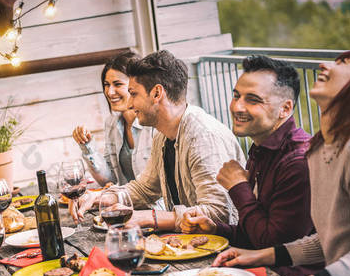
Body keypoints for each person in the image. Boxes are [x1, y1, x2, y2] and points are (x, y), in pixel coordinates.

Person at [205, 49, 350, 276]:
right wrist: (261, 255)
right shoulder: (322, 147)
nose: (325, 65)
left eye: (343, 65)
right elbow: (328, 240)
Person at [71, 50, 246, 231]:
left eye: (134, 94)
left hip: (229, 248)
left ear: (156, 93)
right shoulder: (163, 135)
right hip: (190, 241)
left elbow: (219, 213)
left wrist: (148, 218)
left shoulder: (203, 136)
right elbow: (144, 189)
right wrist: (97, 198)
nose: (130, 104)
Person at [181, 55, 319, 276]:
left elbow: (273, 247)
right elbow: (255, 233)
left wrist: (238, 188)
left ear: (285, 108)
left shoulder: (298, 162)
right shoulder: (261, 147)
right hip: (264, 271)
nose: (237, 107)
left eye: (252, 100)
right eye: (236, 96)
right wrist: (215, 230)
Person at [72, 51, 153, 185]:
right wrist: (87, 147)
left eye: (117, 84)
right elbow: (110, 180)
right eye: (107, 84)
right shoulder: (111, 123)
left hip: (156, 205)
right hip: (126, 203)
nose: (109, 92)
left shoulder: (153, 125)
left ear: (135, 85)